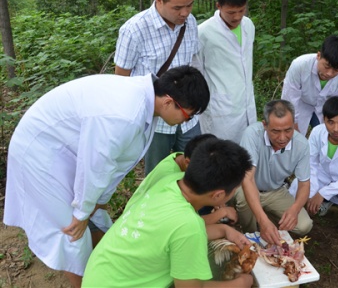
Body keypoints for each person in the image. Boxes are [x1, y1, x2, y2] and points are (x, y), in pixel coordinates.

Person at [3, 66, 210, 287]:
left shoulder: (146, 103)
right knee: (72, 234)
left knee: (94, 219)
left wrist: (98, 203)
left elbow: (115, 162)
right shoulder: (124, 114)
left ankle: (101, 272)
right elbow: (96, 164)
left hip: (65, 152)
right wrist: (82, 212)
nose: (186, 123)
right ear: (169, 102)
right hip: (40, 154)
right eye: (188, 116)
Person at [82, 139, 254, 288]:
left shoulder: (170, 181)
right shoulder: (188, 225)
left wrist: (225, 230)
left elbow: (172, 235)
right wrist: (239, 284)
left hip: (100, 275)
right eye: (233, 190)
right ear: (218, 195)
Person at [114, 0, 201, 175]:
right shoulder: (134, 30)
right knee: (156, 175)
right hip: (155, 124)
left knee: (195, 170)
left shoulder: (191, 24)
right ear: (159, 0)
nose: (185, 13)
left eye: (189, 5)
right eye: (178, 7)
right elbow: (121, 81)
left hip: (188, 119)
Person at [235, 100, 313, 245]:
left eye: (288, 130)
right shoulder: (252, 134)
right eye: (276, 131)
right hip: (250, 187)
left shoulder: (301, 144)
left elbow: (304, 184)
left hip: (276, 191)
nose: (282, 138)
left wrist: (295, 209)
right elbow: (248, 179)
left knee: (304, 225)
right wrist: (262, 221)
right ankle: (251, 236)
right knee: (243, 198)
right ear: (264, 125)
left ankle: (268, 222)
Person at [289, 96, 338, 236]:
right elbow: (310, 163)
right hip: (322, 175)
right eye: (330, 122)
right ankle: (311, 206)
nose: (336, 128)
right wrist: (311, 189)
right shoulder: (317, 132)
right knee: (296, 189)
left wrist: (322, 193)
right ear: (324, 119)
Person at [193, 0, 256, 143]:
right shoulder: (203, 33)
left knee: (247, 153)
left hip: (247, 104)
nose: (237, 17)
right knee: (220, 157)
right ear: (218, 6)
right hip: (220, 111)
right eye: (231, 12)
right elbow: (196, 72)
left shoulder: (248, 26)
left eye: (241, 10)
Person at [136, 133, 238, 225]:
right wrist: (221, 213)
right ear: (188, 162)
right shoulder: (173, 179)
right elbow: (184, 223)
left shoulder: (181, 157)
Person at [281, 35, 338, 135]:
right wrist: (293, 126)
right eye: (326, 66)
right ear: (318, 56)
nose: (329, 73)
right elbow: (289, 98)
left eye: (336, 70)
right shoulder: (300, 65)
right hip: (301, 103)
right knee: (290, 136)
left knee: (326, 138)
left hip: (325, 108)